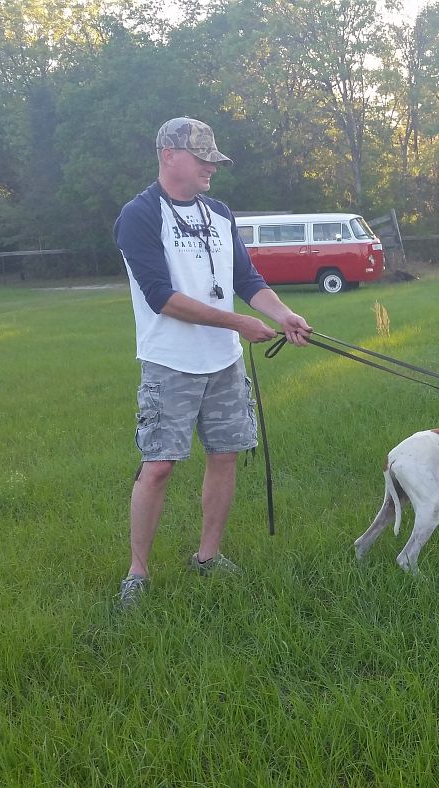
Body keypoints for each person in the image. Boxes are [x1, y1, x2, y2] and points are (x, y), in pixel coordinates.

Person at [113, 116, 312, 608]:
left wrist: (283, 314)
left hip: (223, 364)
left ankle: (208, 557)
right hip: (170, 362)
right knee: (158, 467)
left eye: (213, 161)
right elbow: (162, 297)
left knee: (224, 456)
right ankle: (137, 572)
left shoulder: (219, 213)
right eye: (202, 159)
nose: (211, 168)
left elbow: (247, 279)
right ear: (168, 155)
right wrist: (238, 324)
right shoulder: (139, 216)